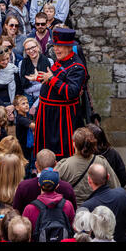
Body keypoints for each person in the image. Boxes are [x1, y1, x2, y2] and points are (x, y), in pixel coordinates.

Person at [33, 28, 87, 159]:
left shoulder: (77, 67)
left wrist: (51, 79)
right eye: (55, 46)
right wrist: (43, 77)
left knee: (59, 153)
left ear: (69, 47)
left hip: (61, 117)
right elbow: (55, 79)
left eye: (60, 46)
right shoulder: (61, 60)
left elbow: (71, 92)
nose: (56, 49)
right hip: (47, 113)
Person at [55, 127, 121, 206]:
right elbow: (116, 187)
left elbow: (52, 190)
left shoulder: (64, 165)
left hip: (74, 212)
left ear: (74, 144)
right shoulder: (102, 162)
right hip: (98, 211)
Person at [13, 149, 77, 214]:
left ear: (36, 165)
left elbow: (16, 213)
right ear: (56, 164)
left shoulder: (24, 187)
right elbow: (73, 213)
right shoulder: (67, 187)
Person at [80, 163, 126, 242]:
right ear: (108, 177)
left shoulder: (87, 206)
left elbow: (83, 235)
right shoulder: (122, 193)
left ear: (89, 180)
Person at [22, 167, 75, 242]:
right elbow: (73, 229)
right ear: (57, 186)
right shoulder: (68, 205)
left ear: (39, 184)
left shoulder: (29, 209)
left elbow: (25, 235)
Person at [19, 38, 54, 112]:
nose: (31, 51)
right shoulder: (22, 64)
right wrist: (41, 84)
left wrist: (36, 104)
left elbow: (50, 84)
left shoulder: (49, 62)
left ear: (38, 47)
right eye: (27, 49)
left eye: (33, 47)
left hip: (44, 97)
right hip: (28, 99)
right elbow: (23, 85)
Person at [13, 95, 36, 177]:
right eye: (23, 104)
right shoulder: (20, 119)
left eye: (27, 103)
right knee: (25, 168)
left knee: (30, 164)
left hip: (29, 146)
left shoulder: (27, 116)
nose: (26, 105)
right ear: (17, 107)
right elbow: (34, 126)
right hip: (23, 148)